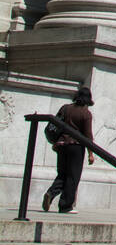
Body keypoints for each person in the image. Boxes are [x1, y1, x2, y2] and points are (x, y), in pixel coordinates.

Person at [42, 87, 95, 215]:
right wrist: (90, 153)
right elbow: (88, 135)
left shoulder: (65, 108)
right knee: (73, 176)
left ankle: (51, 192)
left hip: (61, 144)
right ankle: (65, 206)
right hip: (76, 146)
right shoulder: (85, 114)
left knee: (62, 173)